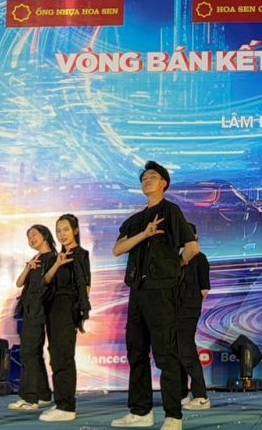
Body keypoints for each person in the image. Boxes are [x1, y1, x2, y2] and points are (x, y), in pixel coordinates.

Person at [110, 161, 198, 430]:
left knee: (165, 353)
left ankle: (173, 416)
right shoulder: (135, 220)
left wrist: (174, 268)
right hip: (137, 291)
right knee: (136, 351)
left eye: (152, 176)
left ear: (164, 183)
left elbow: (192, 247)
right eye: (144, 177)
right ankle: (140, 412)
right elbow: (118, 249)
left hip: (161, 291)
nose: (146, 180)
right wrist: (144, 234)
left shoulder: (171, 212)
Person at [41, 214, 91, 423]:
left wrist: (82, 313)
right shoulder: (56, 257)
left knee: (64, 356)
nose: (62, 234)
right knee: (55, 354)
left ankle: (67, 406)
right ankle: (61, 400)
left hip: (68, 307)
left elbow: (85, 285)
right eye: (58, 230)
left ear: (75, 231)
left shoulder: (81, 254)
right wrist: (57, 263)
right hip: (53, 308)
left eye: (66, 229)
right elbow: (45, 280)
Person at [8, 224, 57, 413]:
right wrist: (28, 267)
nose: (31, 239)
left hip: (40, 310)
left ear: (45, 235)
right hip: (29, 310)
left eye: (34, 234)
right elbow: (19, 282)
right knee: (33, 353)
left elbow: (47, 286)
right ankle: (43, 394)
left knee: (29, 352)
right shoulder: (36, 259)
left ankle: (29, 398)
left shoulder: (52, 258)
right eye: (29, 237)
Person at [177, 223, 212, 412]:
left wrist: (192, 304)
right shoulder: (175, 257)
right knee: (176, 352)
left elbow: (204, 289)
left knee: (186, 350)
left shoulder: (200, 258)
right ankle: (182, 393)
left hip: (188, 310)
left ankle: (201, 396)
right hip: (173, 310)